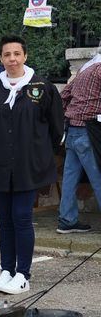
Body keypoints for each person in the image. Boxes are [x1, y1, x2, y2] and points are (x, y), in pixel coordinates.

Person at [0, 35, 63, 295]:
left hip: (28, 166)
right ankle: (6, 270)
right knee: (4, 220)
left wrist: (40, 153)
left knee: (21, 217)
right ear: (1, 59)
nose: (12, 59)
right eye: (7, 54)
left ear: (25, 56)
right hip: (0, 166)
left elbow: (56, 128)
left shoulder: (43, 87)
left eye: (17, 53)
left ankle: (22, 274)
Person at [57, 62, 101, 233]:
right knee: (98, 177)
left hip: (72, 130)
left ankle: (67, 220)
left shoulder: (85, 70)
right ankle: (67, 220)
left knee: (70, 178)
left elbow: (63, 96)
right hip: (90, 131)